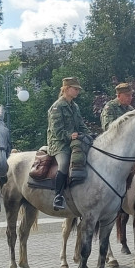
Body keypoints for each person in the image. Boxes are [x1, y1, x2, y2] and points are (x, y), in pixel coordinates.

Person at [47, 77, 89, 211]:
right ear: (66, 89)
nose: (77, 91)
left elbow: (81, 125)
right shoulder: (57, 107)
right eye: (75, 89)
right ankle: (58, 196)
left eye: (78, 89)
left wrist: (89, 134)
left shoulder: (75, 106)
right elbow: (56, 130)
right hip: (59, 143)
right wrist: (69, 135)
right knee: (64, 163)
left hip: (74, 141)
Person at [100, 83, 135, 186]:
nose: (130, 98)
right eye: (127, 95)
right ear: (119, 95)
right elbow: (108, 127)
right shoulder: (110, 107)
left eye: (131, 95)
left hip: (129, 145)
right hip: (113, 144)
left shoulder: (131, 109)